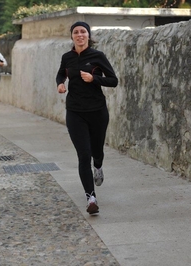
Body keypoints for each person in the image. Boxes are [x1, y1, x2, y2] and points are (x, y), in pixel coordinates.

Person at [56, 21, 118, 215]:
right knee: (83, 154)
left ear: (88, 36)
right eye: (76, 32)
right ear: (72, 36)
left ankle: (98, 165)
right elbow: (60, 75)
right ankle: (91, 198)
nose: (80, 35)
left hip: (97, 111)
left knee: (96, 151)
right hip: (75, 112)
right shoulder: (67, 57)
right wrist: (60, 84)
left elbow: (113, 80)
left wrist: (94, 79)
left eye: (83, 31)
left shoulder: (97, 56)